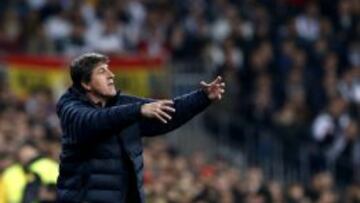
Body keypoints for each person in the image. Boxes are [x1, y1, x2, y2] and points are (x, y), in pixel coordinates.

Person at [56, 53, 225, 203]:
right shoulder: (70, 107)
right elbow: (91, 122)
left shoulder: (123, 105)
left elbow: (168, 112)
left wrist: (203, 97)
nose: (111, 75)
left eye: (109, 69)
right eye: (102, 71)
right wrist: (137, 110)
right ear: (86, 84)